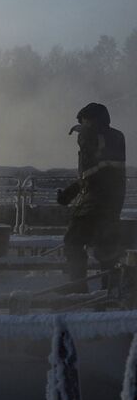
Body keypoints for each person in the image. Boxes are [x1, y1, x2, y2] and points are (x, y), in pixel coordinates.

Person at [56, 102, 126, 293]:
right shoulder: (117, 137)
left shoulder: (89, 135)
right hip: (113, 203)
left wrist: (71, 195)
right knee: (107, 248)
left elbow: (90, 175)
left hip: (93, 203)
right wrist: (70, 194)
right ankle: (110, 293)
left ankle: (78, 289)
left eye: (84, 121)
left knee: (73, 242)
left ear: (90, 120)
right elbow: (96, 174)